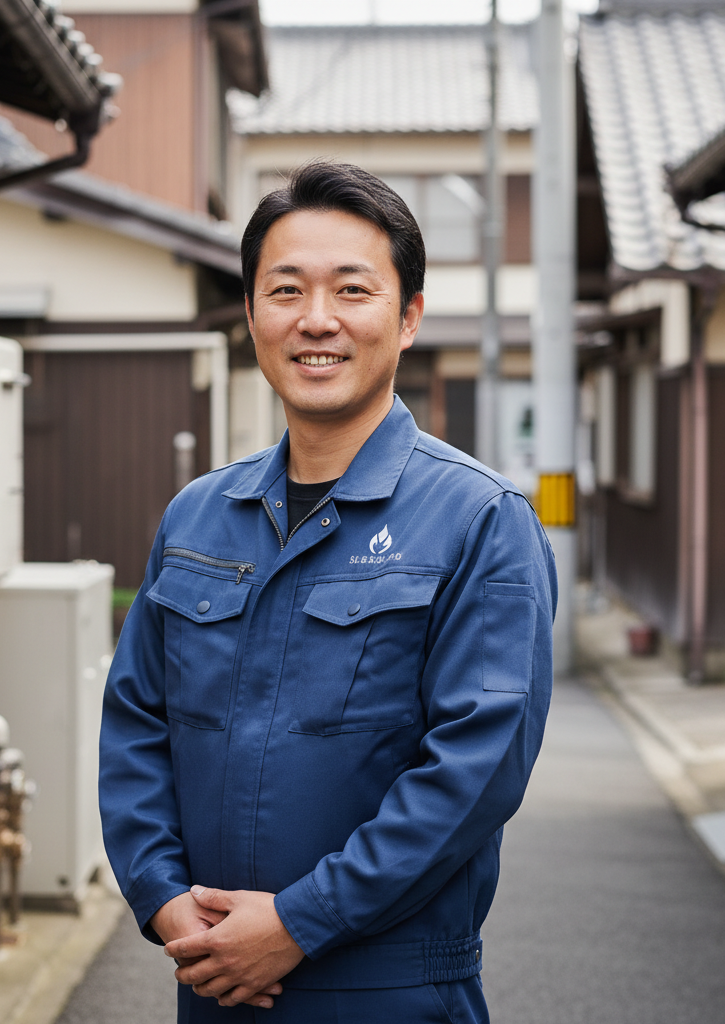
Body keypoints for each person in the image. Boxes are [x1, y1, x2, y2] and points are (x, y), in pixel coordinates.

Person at [99, 161, 556, 1023]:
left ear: (408, 316)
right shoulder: (198, 516)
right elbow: (136, 726)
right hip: (215, 981)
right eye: (285, 290)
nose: (316, 320)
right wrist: (164, 900)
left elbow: (477, 768)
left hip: (391, 989)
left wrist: (301, 922)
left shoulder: (479, 521)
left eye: (353, 290)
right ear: (251, 314)